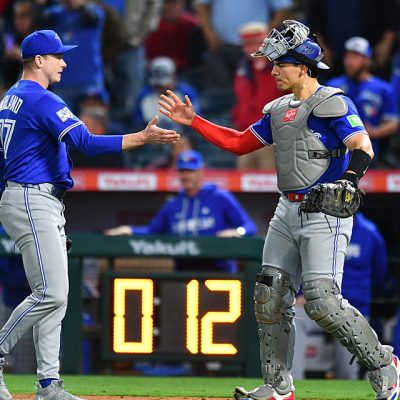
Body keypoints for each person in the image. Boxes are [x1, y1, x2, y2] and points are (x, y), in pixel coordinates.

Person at [158, 19, 400, 400]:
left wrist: (350, 180)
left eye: (279, 64)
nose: (272, 71)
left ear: (303, 66)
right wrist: (194, 122)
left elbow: (362, 145)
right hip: (286, 209)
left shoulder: (332, 101)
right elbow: (239, 143)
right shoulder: (276, 109)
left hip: (325, 209)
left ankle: (384, 364)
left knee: (321, 300)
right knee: (268, 295)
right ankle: (278, 387)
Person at [0, 29, 179, 400]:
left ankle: (49, 384)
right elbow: (85, 142)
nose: (64, 62)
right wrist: (141, 138)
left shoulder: (10, 98)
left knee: (53, 296)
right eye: (58, 56)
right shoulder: (39, 98)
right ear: (39, 60)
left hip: (28, 196)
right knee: (51, 292)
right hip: (33, 197)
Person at [104, 149, 256, 273]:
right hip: (184, 270)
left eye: (190, 171)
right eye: (183, 171)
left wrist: (238, 232)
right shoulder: (173, 204)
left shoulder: (219, 197)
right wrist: (129, 230)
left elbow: (249, 226)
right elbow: (152, 231)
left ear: (201, 172)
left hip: (219, 270)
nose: (186, 175)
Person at [292, 211, 389, 380]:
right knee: (295, 315)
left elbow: (380, 274)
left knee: (346, 372)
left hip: (350, 310)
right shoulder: (319, 228)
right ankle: (290, 384)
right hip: (318, 304)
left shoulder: (369, 232)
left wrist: (357, 299)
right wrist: (302, 293)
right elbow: (302, 263)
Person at [327, 36, 398, 167]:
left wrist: (375, 131)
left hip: (368, 154)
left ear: (367, 60)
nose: (349, 62)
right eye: (347, 57)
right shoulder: (332, 85)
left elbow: (393, 122)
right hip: (336, 155)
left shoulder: (383, 89)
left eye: (355, 57)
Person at [232, 21, 285, 170]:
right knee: (243, 182)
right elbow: (240, 101)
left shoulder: (280, 67)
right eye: (246, 44)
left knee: (270, 183)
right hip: (245, 135)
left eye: (254, 43)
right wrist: (237, 119)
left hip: (272, 137)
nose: (249, 48)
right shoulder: (242, 70)